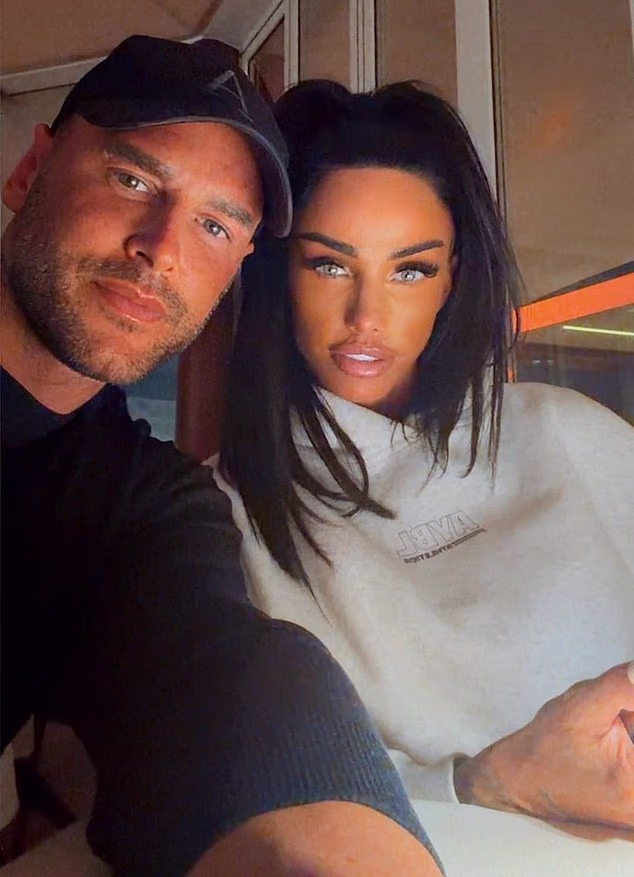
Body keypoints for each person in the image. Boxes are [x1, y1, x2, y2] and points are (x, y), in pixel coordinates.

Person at [0, 40, 444, 877]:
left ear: (235, 268)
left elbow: (219, 669)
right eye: (133, 180)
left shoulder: (136, 506)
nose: (162, 248)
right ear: (30, 172)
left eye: (214, 224)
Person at [216, 80, 634, 834]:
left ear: (451, 279)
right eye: (330, 264)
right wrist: (483, 785)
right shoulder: (223, 516)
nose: (367, 317)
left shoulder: (567, 432)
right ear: (279, 271)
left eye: (409, 269)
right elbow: (251, 793)